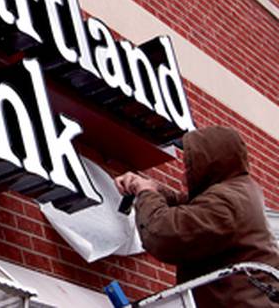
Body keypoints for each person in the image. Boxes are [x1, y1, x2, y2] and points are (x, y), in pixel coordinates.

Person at [115, 125, 279, 307]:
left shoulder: (228, 202)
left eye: (190, 165)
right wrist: (152, 188)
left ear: (210, 161)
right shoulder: (238, 190)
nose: (184, 174)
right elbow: (191, 207)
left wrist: (146, 192)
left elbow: (163, 234)